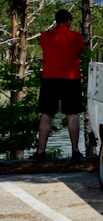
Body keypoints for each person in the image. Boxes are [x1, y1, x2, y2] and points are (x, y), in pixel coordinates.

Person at [35, 9, 85, 161]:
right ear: (68, 20)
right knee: (72, 114)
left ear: (57, 20)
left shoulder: (45, 36)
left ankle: (40, 152)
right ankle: (75, 151)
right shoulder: (76, 36)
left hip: (50, 78)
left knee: (46, 115)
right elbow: (80, 53)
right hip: (71, 79)